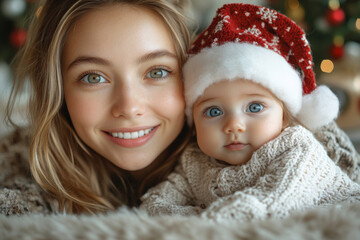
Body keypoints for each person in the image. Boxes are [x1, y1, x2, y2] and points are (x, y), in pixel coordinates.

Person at [140, 3, 360, 222]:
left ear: (284, 117)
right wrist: (191, 216)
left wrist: (203, 218)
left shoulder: (297, 149)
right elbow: (155, 204)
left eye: (254, 107)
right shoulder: (193, 162)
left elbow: (269, 204)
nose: (234, 125)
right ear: (194, 123)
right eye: (214, 111)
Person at [3, 0, 192, 215]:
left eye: (157, 72)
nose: (129, 108)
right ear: (57, 90)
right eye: (93, 78)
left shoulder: (231, 164)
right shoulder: (15, 177)